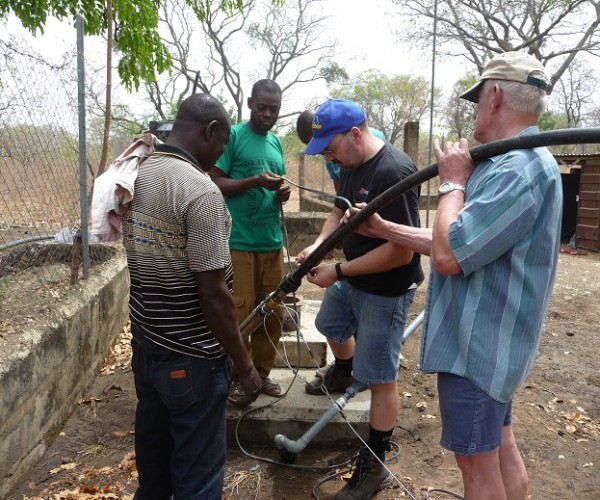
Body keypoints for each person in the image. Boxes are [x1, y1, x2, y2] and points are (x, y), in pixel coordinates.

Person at [343, 51, 562, 500]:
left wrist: (451, 183)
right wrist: (385, 228)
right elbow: (462, 241)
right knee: (500, 448)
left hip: (477, 350)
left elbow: (447, 257)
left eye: (477, 98)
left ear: (495, 95)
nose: (475, 109)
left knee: (476, 465)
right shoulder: (514, 162)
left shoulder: (516, 170)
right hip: (495, 346)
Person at [122, 93, 262, 499]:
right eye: (222, 144)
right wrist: (244, 364)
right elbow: (214, 294)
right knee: (197, 470)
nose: (221, 152)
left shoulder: (137, 173)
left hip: (148, 346)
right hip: (192, 358)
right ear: (210, 131)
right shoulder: (199, 192)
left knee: (155, 457)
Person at [295, 99, 424, 500]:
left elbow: (401, 251)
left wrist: (339, 272)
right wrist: (318, 248)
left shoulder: (394, 171)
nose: (330, 159)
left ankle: (374, 465)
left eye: (331, 149)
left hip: (386, 289)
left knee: (381, 378)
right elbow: (338, 213)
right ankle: (345, 370)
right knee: (329, 323)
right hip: (354, 277)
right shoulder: (351, 166)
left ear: (355, 134)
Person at [210, 79, 291, 406]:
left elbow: (278, 187)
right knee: (241, 310)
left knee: (271, 311)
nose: (268, 114)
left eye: (274, 109)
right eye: (262, 107)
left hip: (272, 242)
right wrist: (255, 180)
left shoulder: (276, 142)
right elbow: (215, 182)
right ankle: (236, 375)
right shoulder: (235, 138)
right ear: (249, 103)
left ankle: (262, 373)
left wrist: (281, 194)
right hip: (240, 242)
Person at [296, 110, 386, 192]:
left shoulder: (375, 138)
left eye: (323, 146)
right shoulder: (330, 155)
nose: (326, 156)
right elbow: (340, 189)